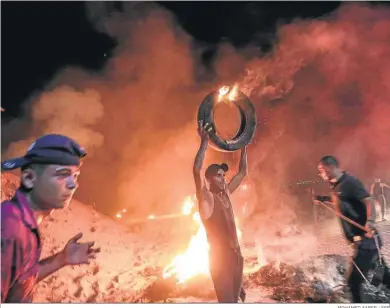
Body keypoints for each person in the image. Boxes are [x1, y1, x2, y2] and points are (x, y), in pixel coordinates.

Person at [1, 134, 100, 303]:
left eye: (75, 176)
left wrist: (61, 259)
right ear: (29, 179)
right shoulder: (10, 230)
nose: (73, 184)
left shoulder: (25, 223)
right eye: (62, 174)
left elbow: (20, 282)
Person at [314, 155, 390, 303]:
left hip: (366, 241)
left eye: (321, 169)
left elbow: (368, 201)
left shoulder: (350, 182)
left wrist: (370, 221)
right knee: (384, 276)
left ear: (330, 167)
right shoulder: (336, 185)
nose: (320, 173)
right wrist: (323, 199)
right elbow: (342, 201)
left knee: (353, 283)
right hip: (363, 242)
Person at [193, 120, 248, 303]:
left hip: (236, 256)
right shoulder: (207, 199)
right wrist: (204, 143)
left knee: (236, 301)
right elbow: (196, 170)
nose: (223, 179)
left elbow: (241, 173)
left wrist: (243, 145)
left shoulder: (227, 195)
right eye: (218, 176)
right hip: (220, 259)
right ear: (209, 180)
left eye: (223, 175)